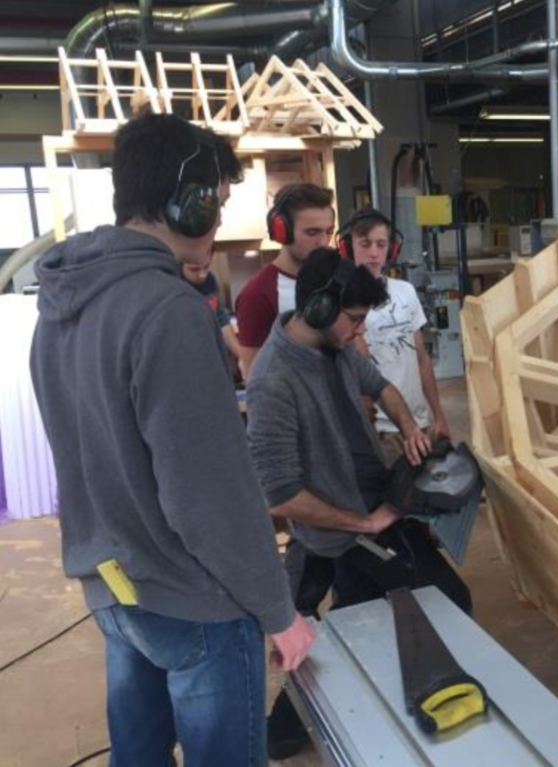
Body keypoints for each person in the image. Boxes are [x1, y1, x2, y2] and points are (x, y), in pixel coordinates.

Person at [29, 113, 315, 767]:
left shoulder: (61, 305)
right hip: (195, 605)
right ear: (182, 202)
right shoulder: (168, 311)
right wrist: (278, 610)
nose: (215, 221)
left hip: (115, 587)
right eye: (212, 203)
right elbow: (207, 495)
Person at [246, 247, 471, 758]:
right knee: (440, 604)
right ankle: (290, 729)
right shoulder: (272, 382)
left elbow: (382, 386)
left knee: (358, 617)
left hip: (371, 508)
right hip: (342, 530)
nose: (359, 331)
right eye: (353, 320)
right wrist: (364, 524)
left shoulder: (338, 347)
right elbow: (280, 495)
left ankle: (283, 731)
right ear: (319, 309)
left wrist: (411, 427)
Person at [340, 208, 451, 463]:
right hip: (378, 430)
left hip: (418, 422)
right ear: (348, 247)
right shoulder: (343, 302)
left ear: (391, 249)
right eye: (365, 244)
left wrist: (439, 415)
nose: (374, 253)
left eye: (381, 244)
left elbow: (421, 358)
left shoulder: (406, 292)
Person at [234, 183, 336, 378]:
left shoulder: (335, 278)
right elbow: (255, 377)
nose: (323, 242)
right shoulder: (257, 295)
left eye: (329, 231)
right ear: (282, 231)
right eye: (312, 232)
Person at [181, 249, 243, 375]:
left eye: (206, 267)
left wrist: (242, 355)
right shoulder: (174, 287)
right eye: (194, 269)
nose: (202, 274)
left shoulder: (210, 281)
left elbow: (221, 319)